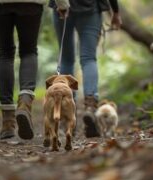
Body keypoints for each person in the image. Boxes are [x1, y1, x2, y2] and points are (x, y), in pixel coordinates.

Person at [0, 0, 70, 140]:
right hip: (30, 4)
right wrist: (62, 3)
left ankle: (8, 122)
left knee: (5, 53)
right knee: (29, 51)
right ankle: (25, 104)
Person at [49, 0, 122, 138]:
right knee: (88, 59)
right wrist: (115, 11)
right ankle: (90, 106)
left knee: (66, 59)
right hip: (90, 7)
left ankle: (67, 111)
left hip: (62, 6)